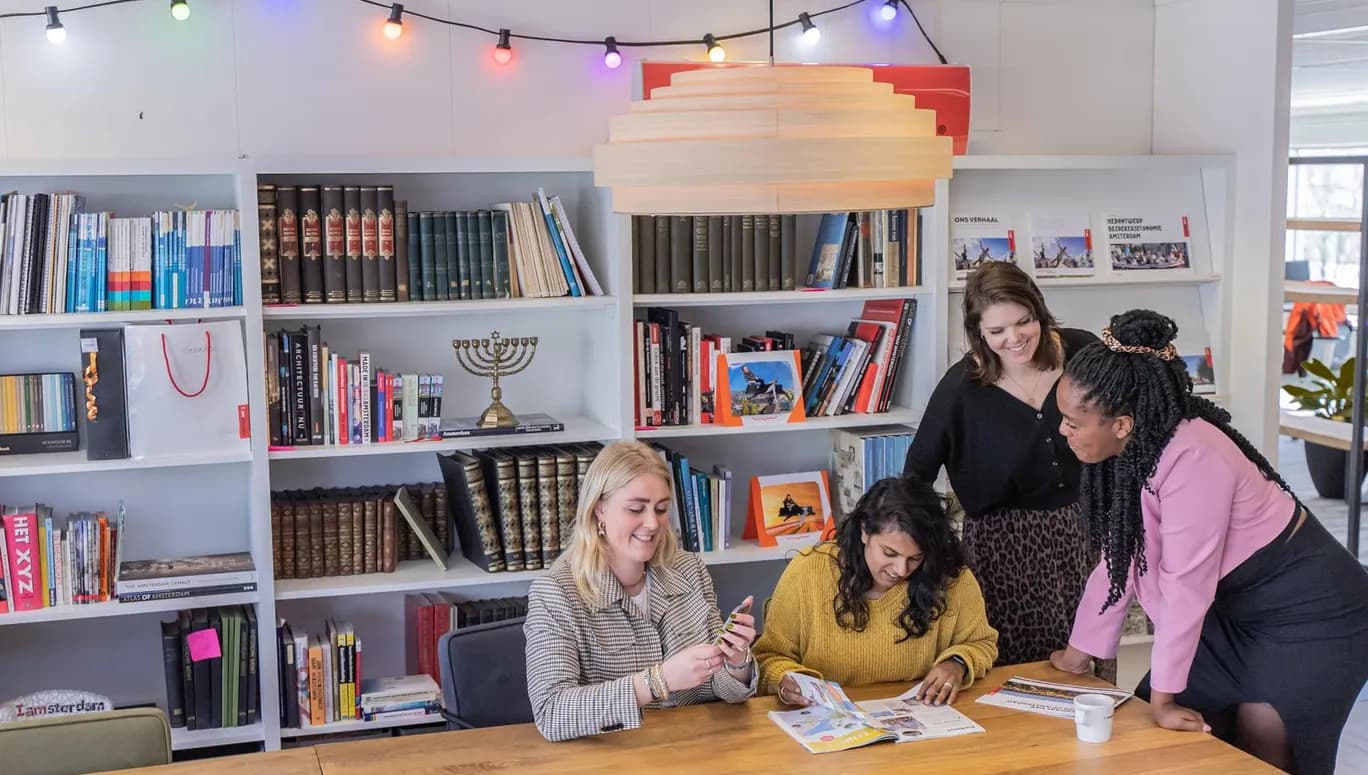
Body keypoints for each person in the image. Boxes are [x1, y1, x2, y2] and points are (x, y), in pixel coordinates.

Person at [1049, 309, 1368, 774]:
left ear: (1120, 423)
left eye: (1073, 422)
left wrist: (1165, 698)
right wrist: (1081, 652)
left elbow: (1186, 585)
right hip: (1239, 615)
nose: (1063, 430)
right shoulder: (1132, 447)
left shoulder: (1195, 455)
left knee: (1262, 738)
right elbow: (1120, 557)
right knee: (1150, 736)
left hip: (1316, 617)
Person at [903, 260, 1102, 667]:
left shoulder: (1083, 352)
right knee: (1014, 670)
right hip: (1001, 549)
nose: (1014, 339)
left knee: (1090, 660)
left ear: (1039, 311)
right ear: (978, 333)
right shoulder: (962, 387)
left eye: (1024, 322)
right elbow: (915, 476)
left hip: (1085, 533)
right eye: (996, 332)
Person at [523, 441, 758, 742]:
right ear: (599, 510)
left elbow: (719, 689)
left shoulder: (689, 570)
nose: (652, 524)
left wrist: (736, 662)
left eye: (661, 509)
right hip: (614, 756)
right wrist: (659, 681)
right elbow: (552, 713)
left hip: (694, 746)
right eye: (636, 509)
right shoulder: (555, 592)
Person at [752, 475, 998, 707]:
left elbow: (982, 643)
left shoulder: (949, 575)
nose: (901, 570)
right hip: (826, 722)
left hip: (919, 722)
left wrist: (957, 663)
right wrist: (787, 679)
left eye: (916, 558)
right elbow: (767, 658)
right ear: (864, 531)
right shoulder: (809, 571)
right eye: (889, 553)